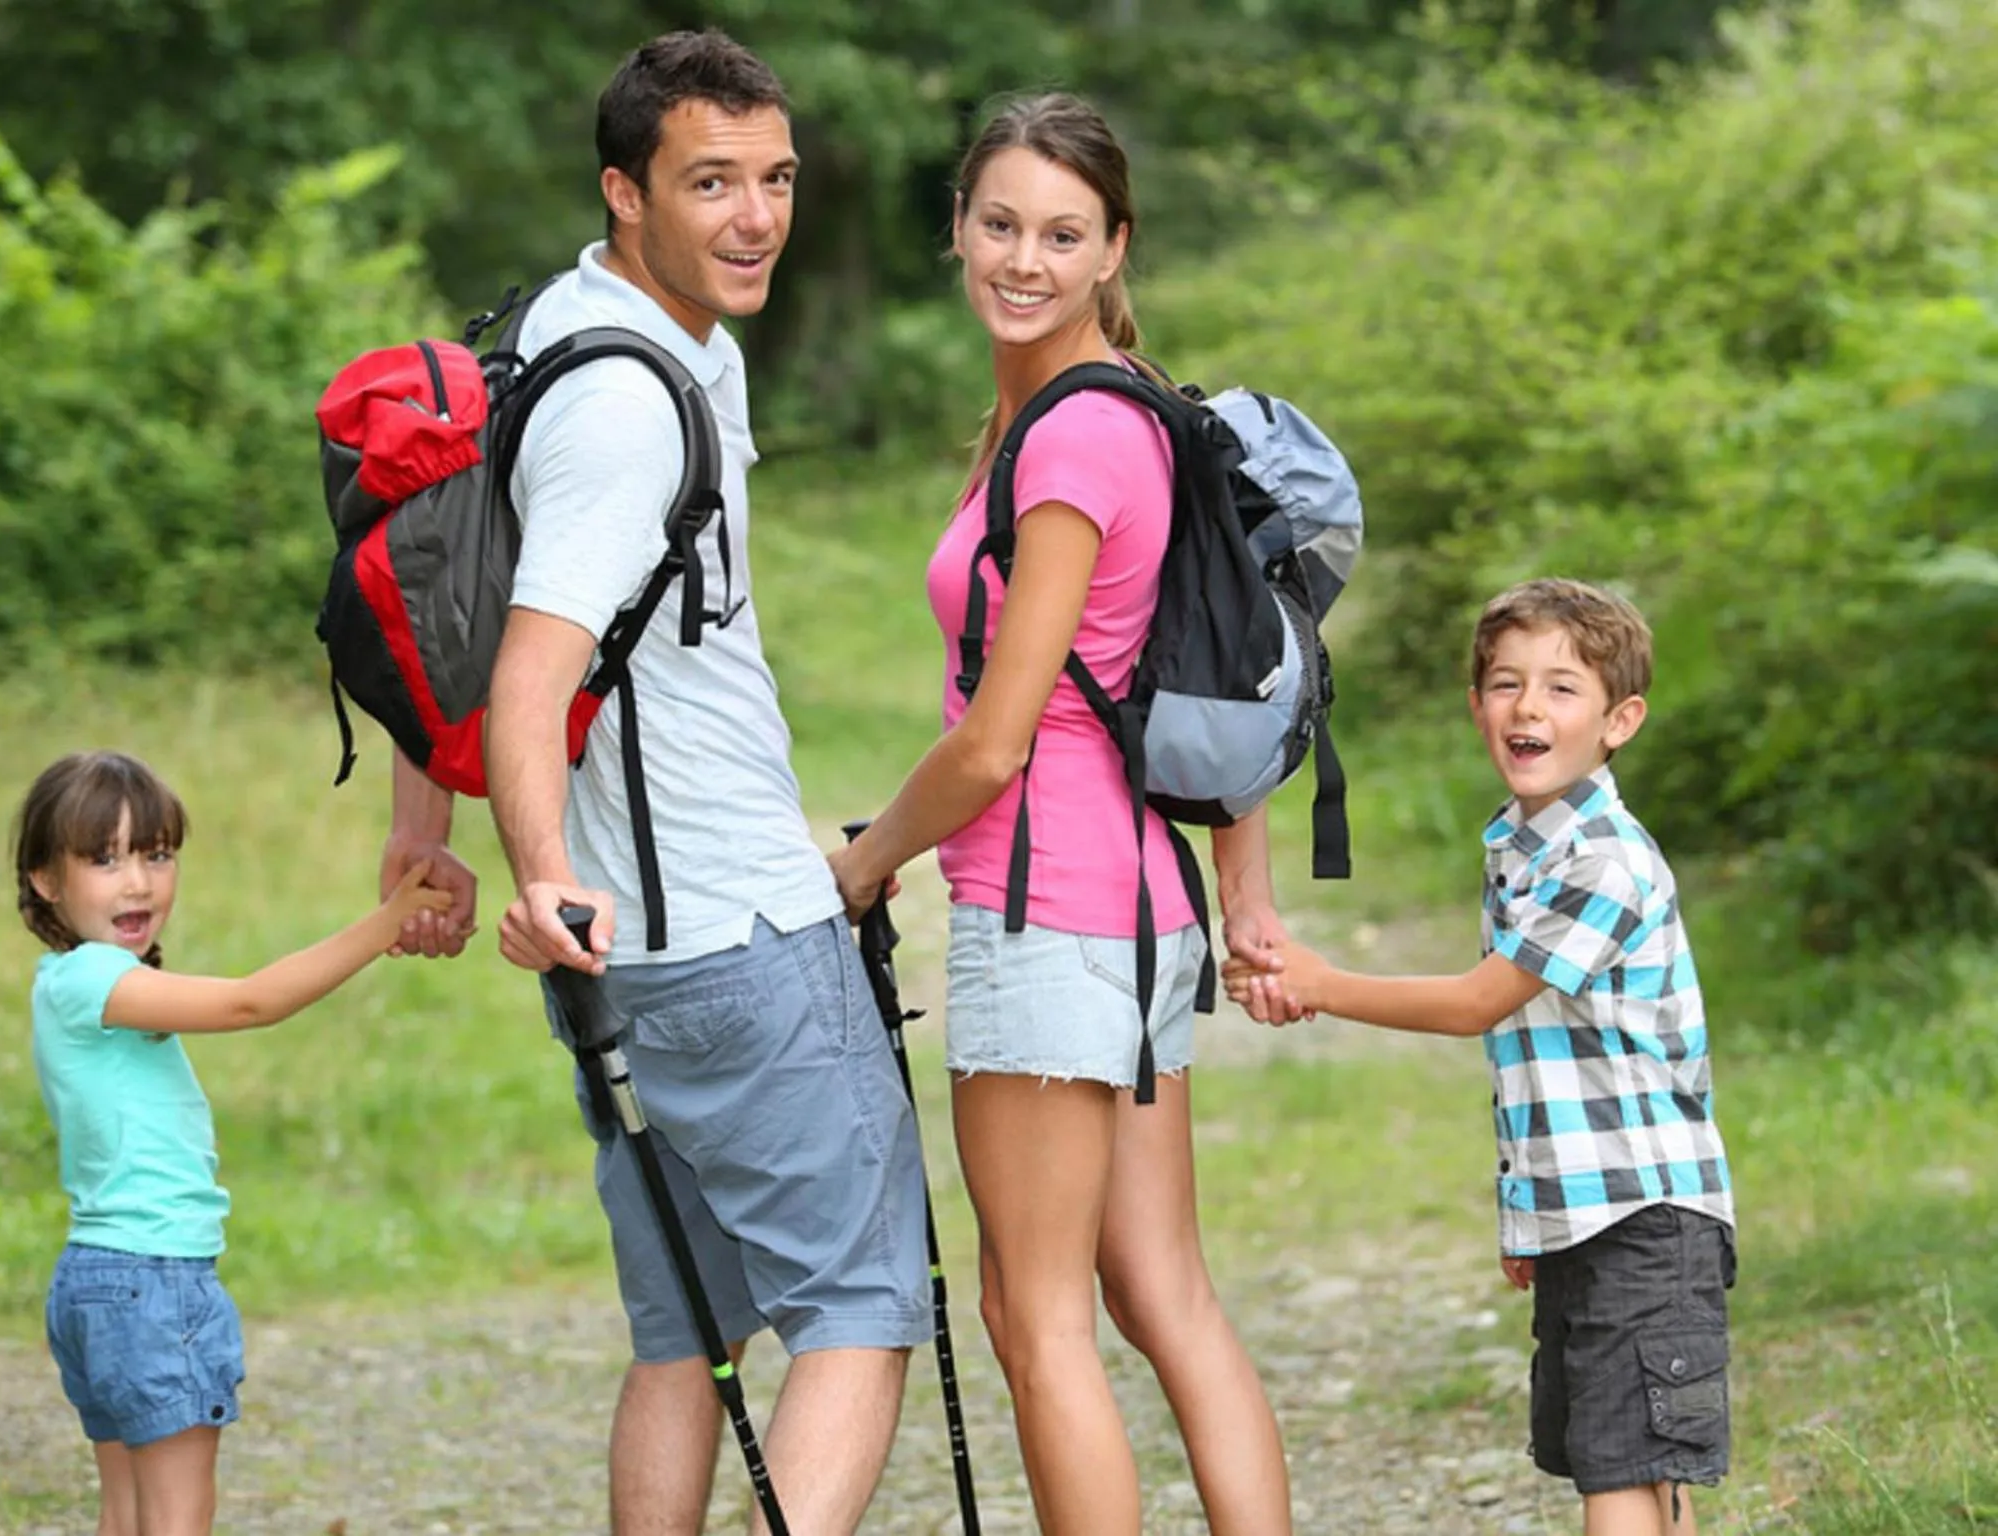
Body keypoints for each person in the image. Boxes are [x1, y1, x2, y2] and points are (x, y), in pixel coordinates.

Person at [381, 30, 932, 1536]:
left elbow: (450, 587)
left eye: (776, 180)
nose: (755, 217)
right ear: (628, 192)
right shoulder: (627, 407)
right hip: (736, 938)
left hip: (635, 967)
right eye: (711, 184)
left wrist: (429, 838)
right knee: (862, 1310)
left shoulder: (566, 329)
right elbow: (528, 665)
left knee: (686, 1336)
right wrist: (542, 869)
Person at [829, 93, 1296, 1536]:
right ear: (959, 225)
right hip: (1143, 914)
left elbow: (995, 742)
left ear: (1115, 248)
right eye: (999, 223)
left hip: (1051, 919)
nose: (1023, 258)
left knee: (1037, 1323)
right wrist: (1241, 898)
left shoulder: (1077, 440)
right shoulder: (1104, 412)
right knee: (1164, 1295)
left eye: (1062, 233)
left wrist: (859, 860)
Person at [1224, 578, 1738, 1536]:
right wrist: (1528, 1213)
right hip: (1584, 1212)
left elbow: (1476, 1005)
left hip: (1646, 1215)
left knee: (1622, 1476)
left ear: (1620, 720)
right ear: (1475, 708)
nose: (1528, 708)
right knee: (1627, 1460)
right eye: (1505, 685)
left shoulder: (1605, 862)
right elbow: (1539, 1061)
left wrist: (1320, 981)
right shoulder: (1520, 846)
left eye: (1561, 688)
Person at [14, 749, 450, 1536]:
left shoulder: (74, 987)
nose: (139, 882)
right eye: (103, 860)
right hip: (154, 1281)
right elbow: (252, 1003)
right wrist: (385, 924)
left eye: (156, 854)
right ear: (45, 879)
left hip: (97, 1280)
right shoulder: (89, 982)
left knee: (126, 1517)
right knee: (178, 1520)